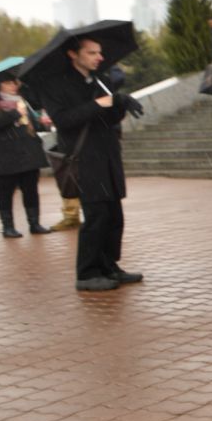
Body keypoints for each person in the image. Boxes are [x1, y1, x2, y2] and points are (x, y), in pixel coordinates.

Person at [49, 38, 141, 292]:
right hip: (85, 158)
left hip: (108, 153)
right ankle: (87, 272)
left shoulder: (100, 80)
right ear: (73, 54)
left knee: (113, 215)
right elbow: (64, 120)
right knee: (96, 215)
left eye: (99, 52)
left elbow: (108, 118)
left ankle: (109, 266)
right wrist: (97, 104)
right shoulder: (57, 85)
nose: (99, 57)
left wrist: (119, 104)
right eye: (92, 53)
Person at [0, 76, 52, 238]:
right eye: (7, 83)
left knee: (31, 189)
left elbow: (32, 123)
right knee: (5, 191)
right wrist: (14, 113)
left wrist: (41, 122)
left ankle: (34, 223)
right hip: (2, 153)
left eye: (14, 82)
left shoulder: (22, 100)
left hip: (27, 150)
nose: (13, 86)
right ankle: (8, 226)